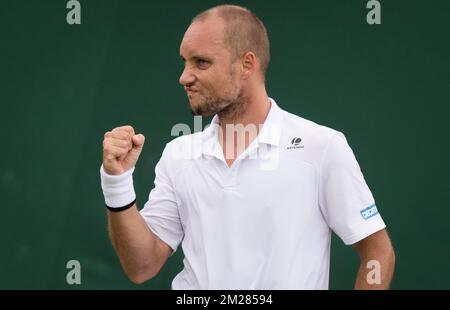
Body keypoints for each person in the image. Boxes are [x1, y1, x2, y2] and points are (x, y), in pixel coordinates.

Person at [100, 4, 395, 289]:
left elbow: (377, 253)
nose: (184, 77)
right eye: (184, 61)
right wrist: (117, 183)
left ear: (247, 64)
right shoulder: (178, 155)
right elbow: (141, 266)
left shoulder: (321, 146)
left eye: (201, 62)